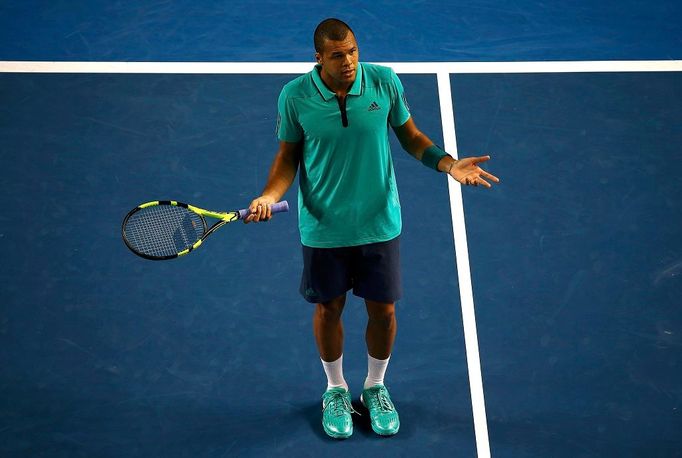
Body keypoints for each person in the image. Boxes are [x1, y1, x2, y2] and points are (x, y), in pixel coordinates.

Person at [245, 18, 499, 439]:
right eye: (337, 55)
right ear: (319, 58)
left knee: (384, 310)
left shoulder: (383, 82)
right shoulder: (295, 96)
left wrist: (448, 163)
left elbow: (411, 137)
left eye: (352, 52)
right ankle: (335, 389)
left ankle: (375, 386)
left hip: (380, 223)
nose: (348, 62)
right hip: (324, 228)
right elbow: (288, 156)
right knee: (329, 308)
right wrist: (270, 195)